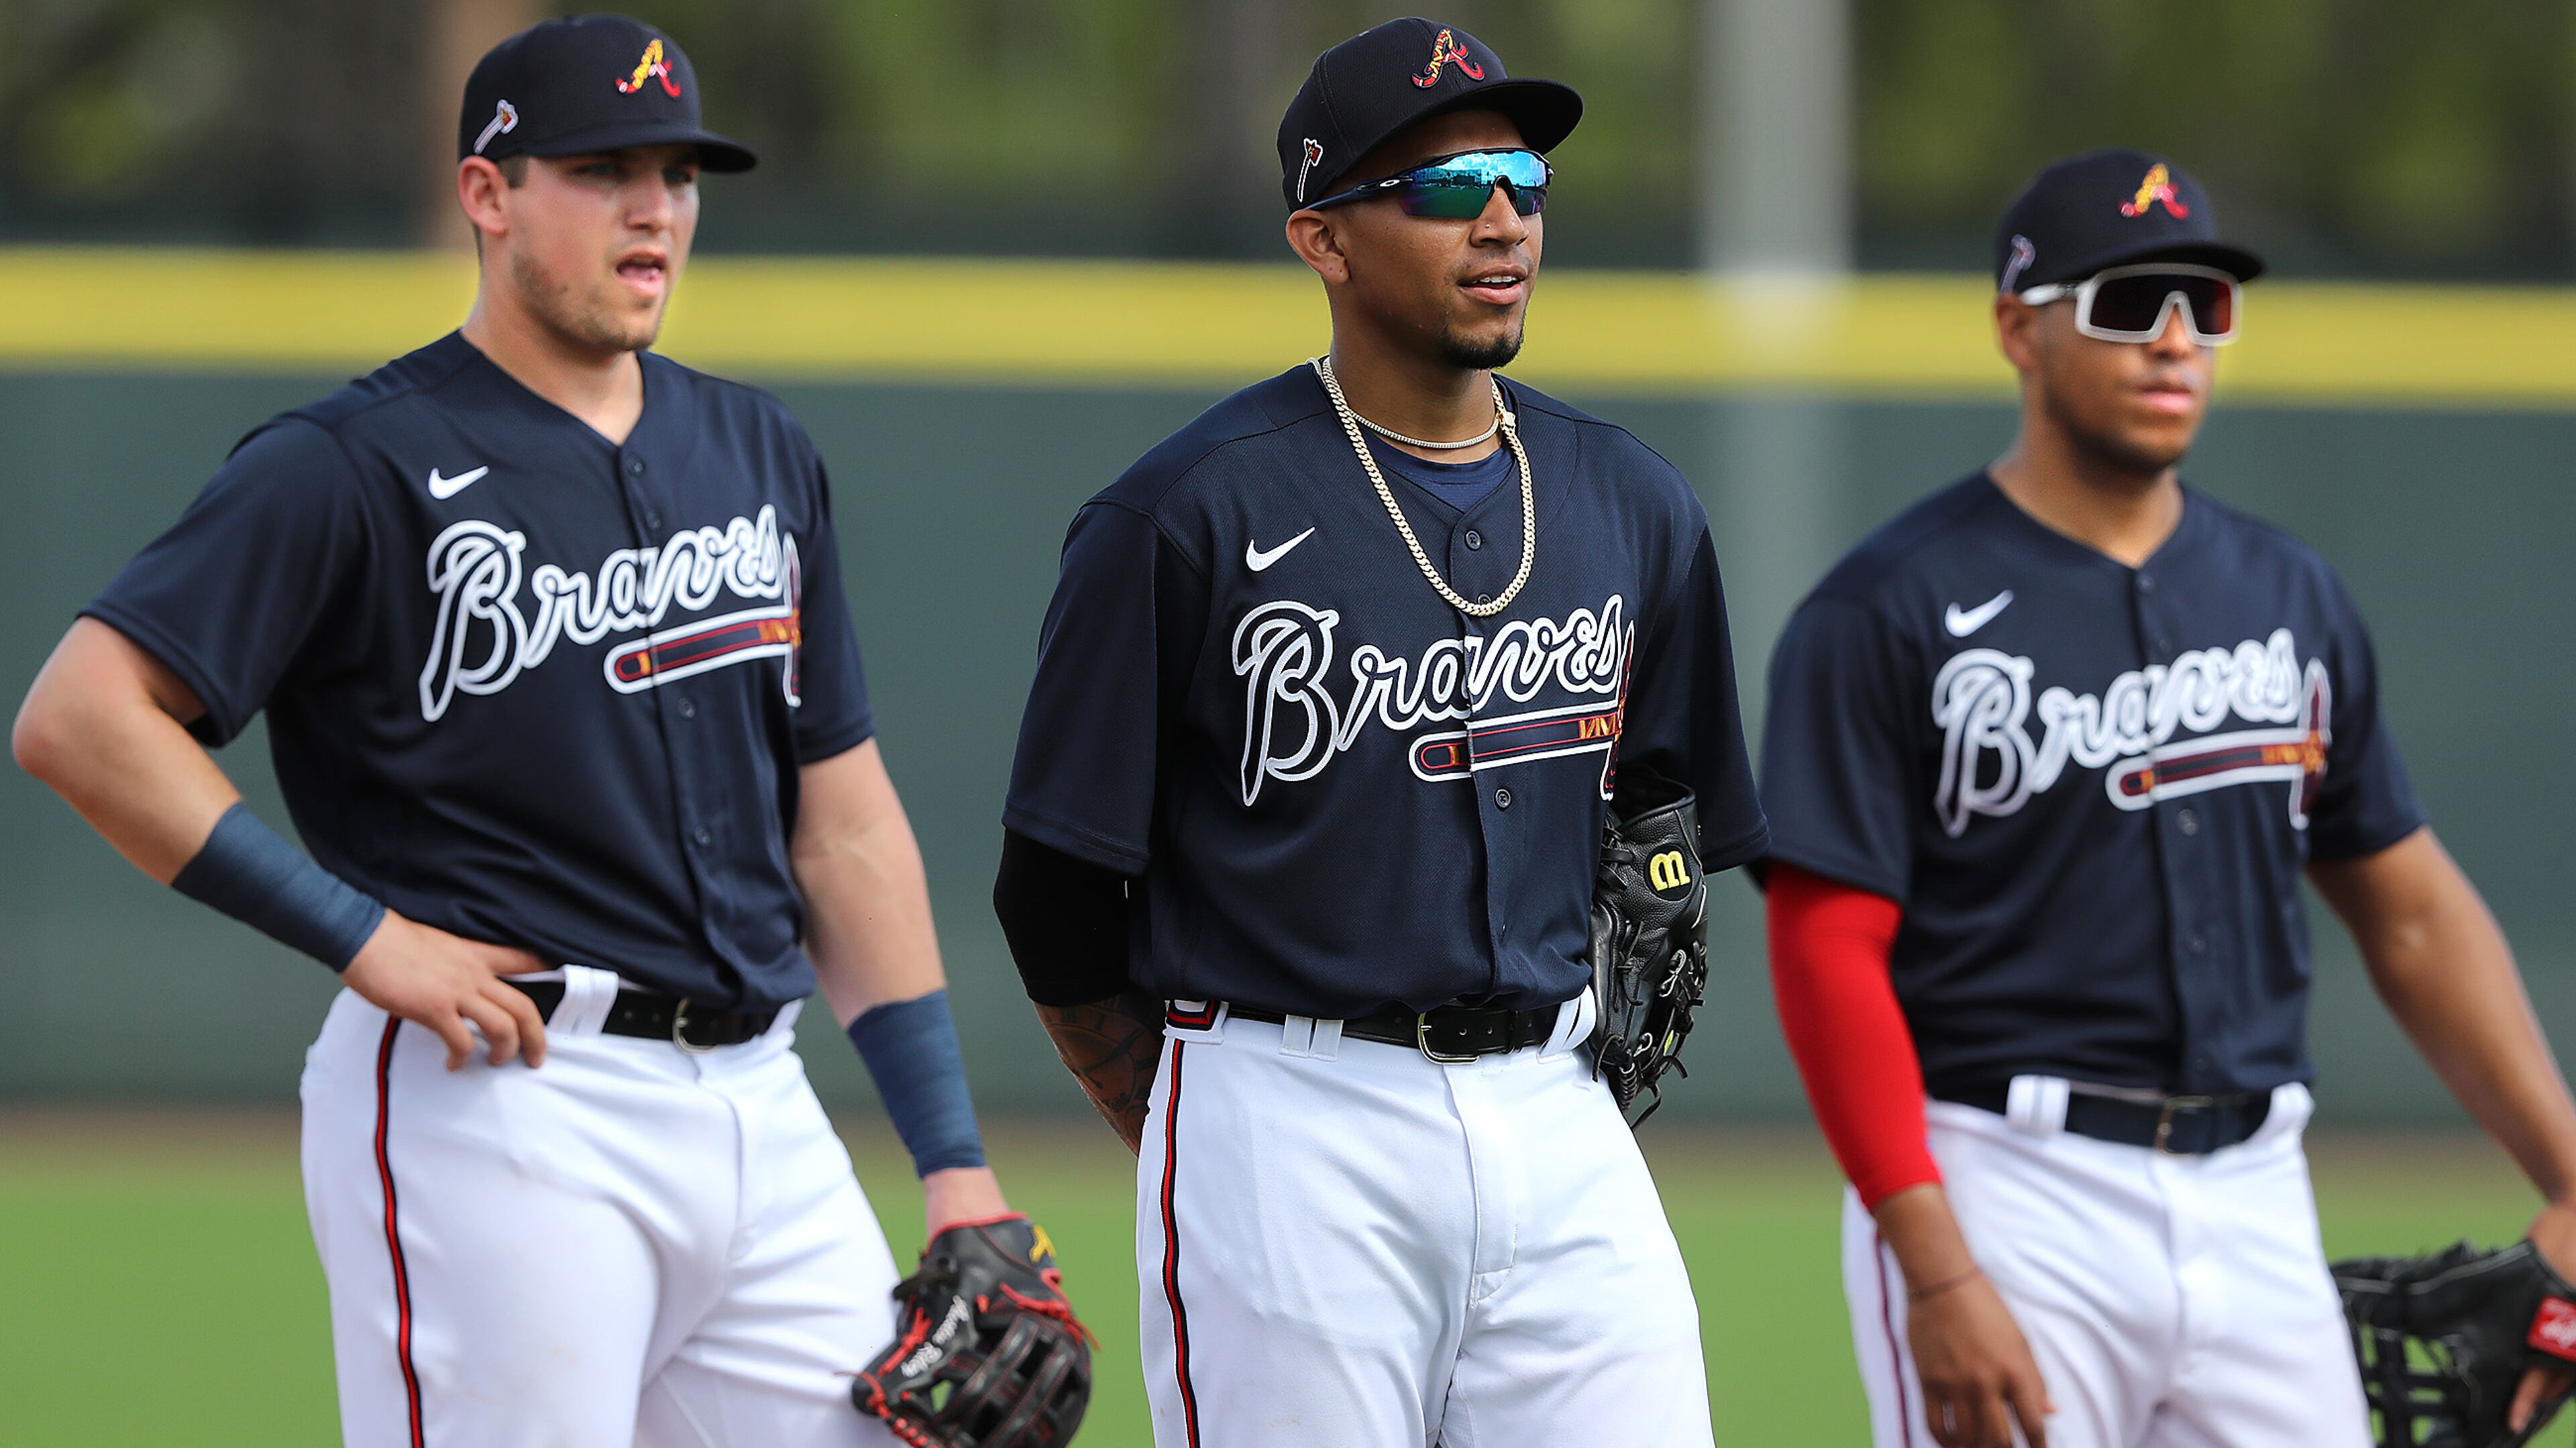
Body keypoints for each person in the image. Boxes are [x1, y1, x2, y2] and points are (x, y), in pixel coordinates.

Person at [11, 16, 1051, 1446]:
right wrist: (363, 938)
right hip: (506, 1104)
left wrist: (953, 1164)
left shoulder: (756, 451)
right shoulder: (349, 465)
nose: (655, 208)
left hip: (762, 1104)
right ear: (488, 193)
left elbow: (845, 819)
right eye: (603, 168)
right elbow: (81, 716)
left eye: (679, 173)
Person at [989, 17, 1768, 1447]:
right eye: (1445, 185)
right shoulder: (1182, 518)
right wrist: (1175, 1125)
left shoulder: (1630, 503)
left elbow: (1669, 809)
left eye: (1524, 177)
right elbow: (1049, 894)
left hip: (1561, 1110)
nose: (1503, 220)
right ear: (1324, 238)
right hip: (1288, 1112)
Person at [1758, 148, 2576, 1448]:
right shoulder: (1886, 610)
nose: (2178, 340)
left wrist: (2573, 1178)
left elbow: (2410, 910)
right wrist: (1937, 1262)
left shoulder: (2287, 594)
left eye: (2208, 303)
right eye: (2131, 305)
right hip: (2008, 1182)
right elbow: (1824, 951)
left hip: (2257, 1187)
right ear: (2017, 329)